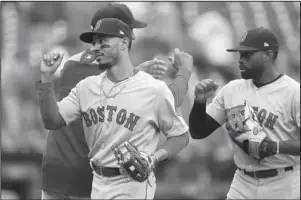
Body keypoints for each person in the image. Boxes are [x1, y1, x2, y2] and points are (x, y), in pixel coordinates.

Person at [40, 3, 191, 200]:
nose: (134, 36)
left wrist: (137, 72)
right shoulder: (100, 76)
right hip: (90, 173)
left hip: (57, 166)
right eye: (131, 29)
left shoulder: (74, 63)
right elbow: (163, 101)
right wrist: (184, 74)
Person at [189, 27, 300, 199]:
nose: (240, 60)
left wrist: (274, 147)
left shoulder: (293, 92)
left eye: (248, 55)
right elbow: (198, 132)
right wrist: (199, 102)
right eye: (240, 54)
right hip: (243, 182)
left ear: (268, 55)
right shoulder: (231, 90)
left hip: (284, 182)